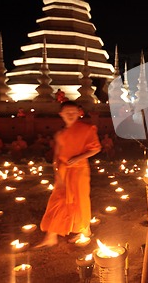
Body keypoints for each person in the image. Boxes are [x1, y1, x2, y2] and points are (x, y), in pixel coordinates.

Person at [35, 101, 101, 248]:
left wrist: (78, 158)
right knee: (58, 200)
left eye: (73, 112)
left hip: (79, 171)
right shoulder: (60, 134)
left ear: (79, 113)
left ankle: (85, 230)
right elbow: (57, 155)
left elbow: (96, 148)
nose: (70, 115)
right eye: (67, 112)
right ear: (61, 115)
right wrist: (56, 171)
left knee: (80, 200)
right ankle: (52, 235)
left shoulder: (87, 129)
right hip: (64, 171)